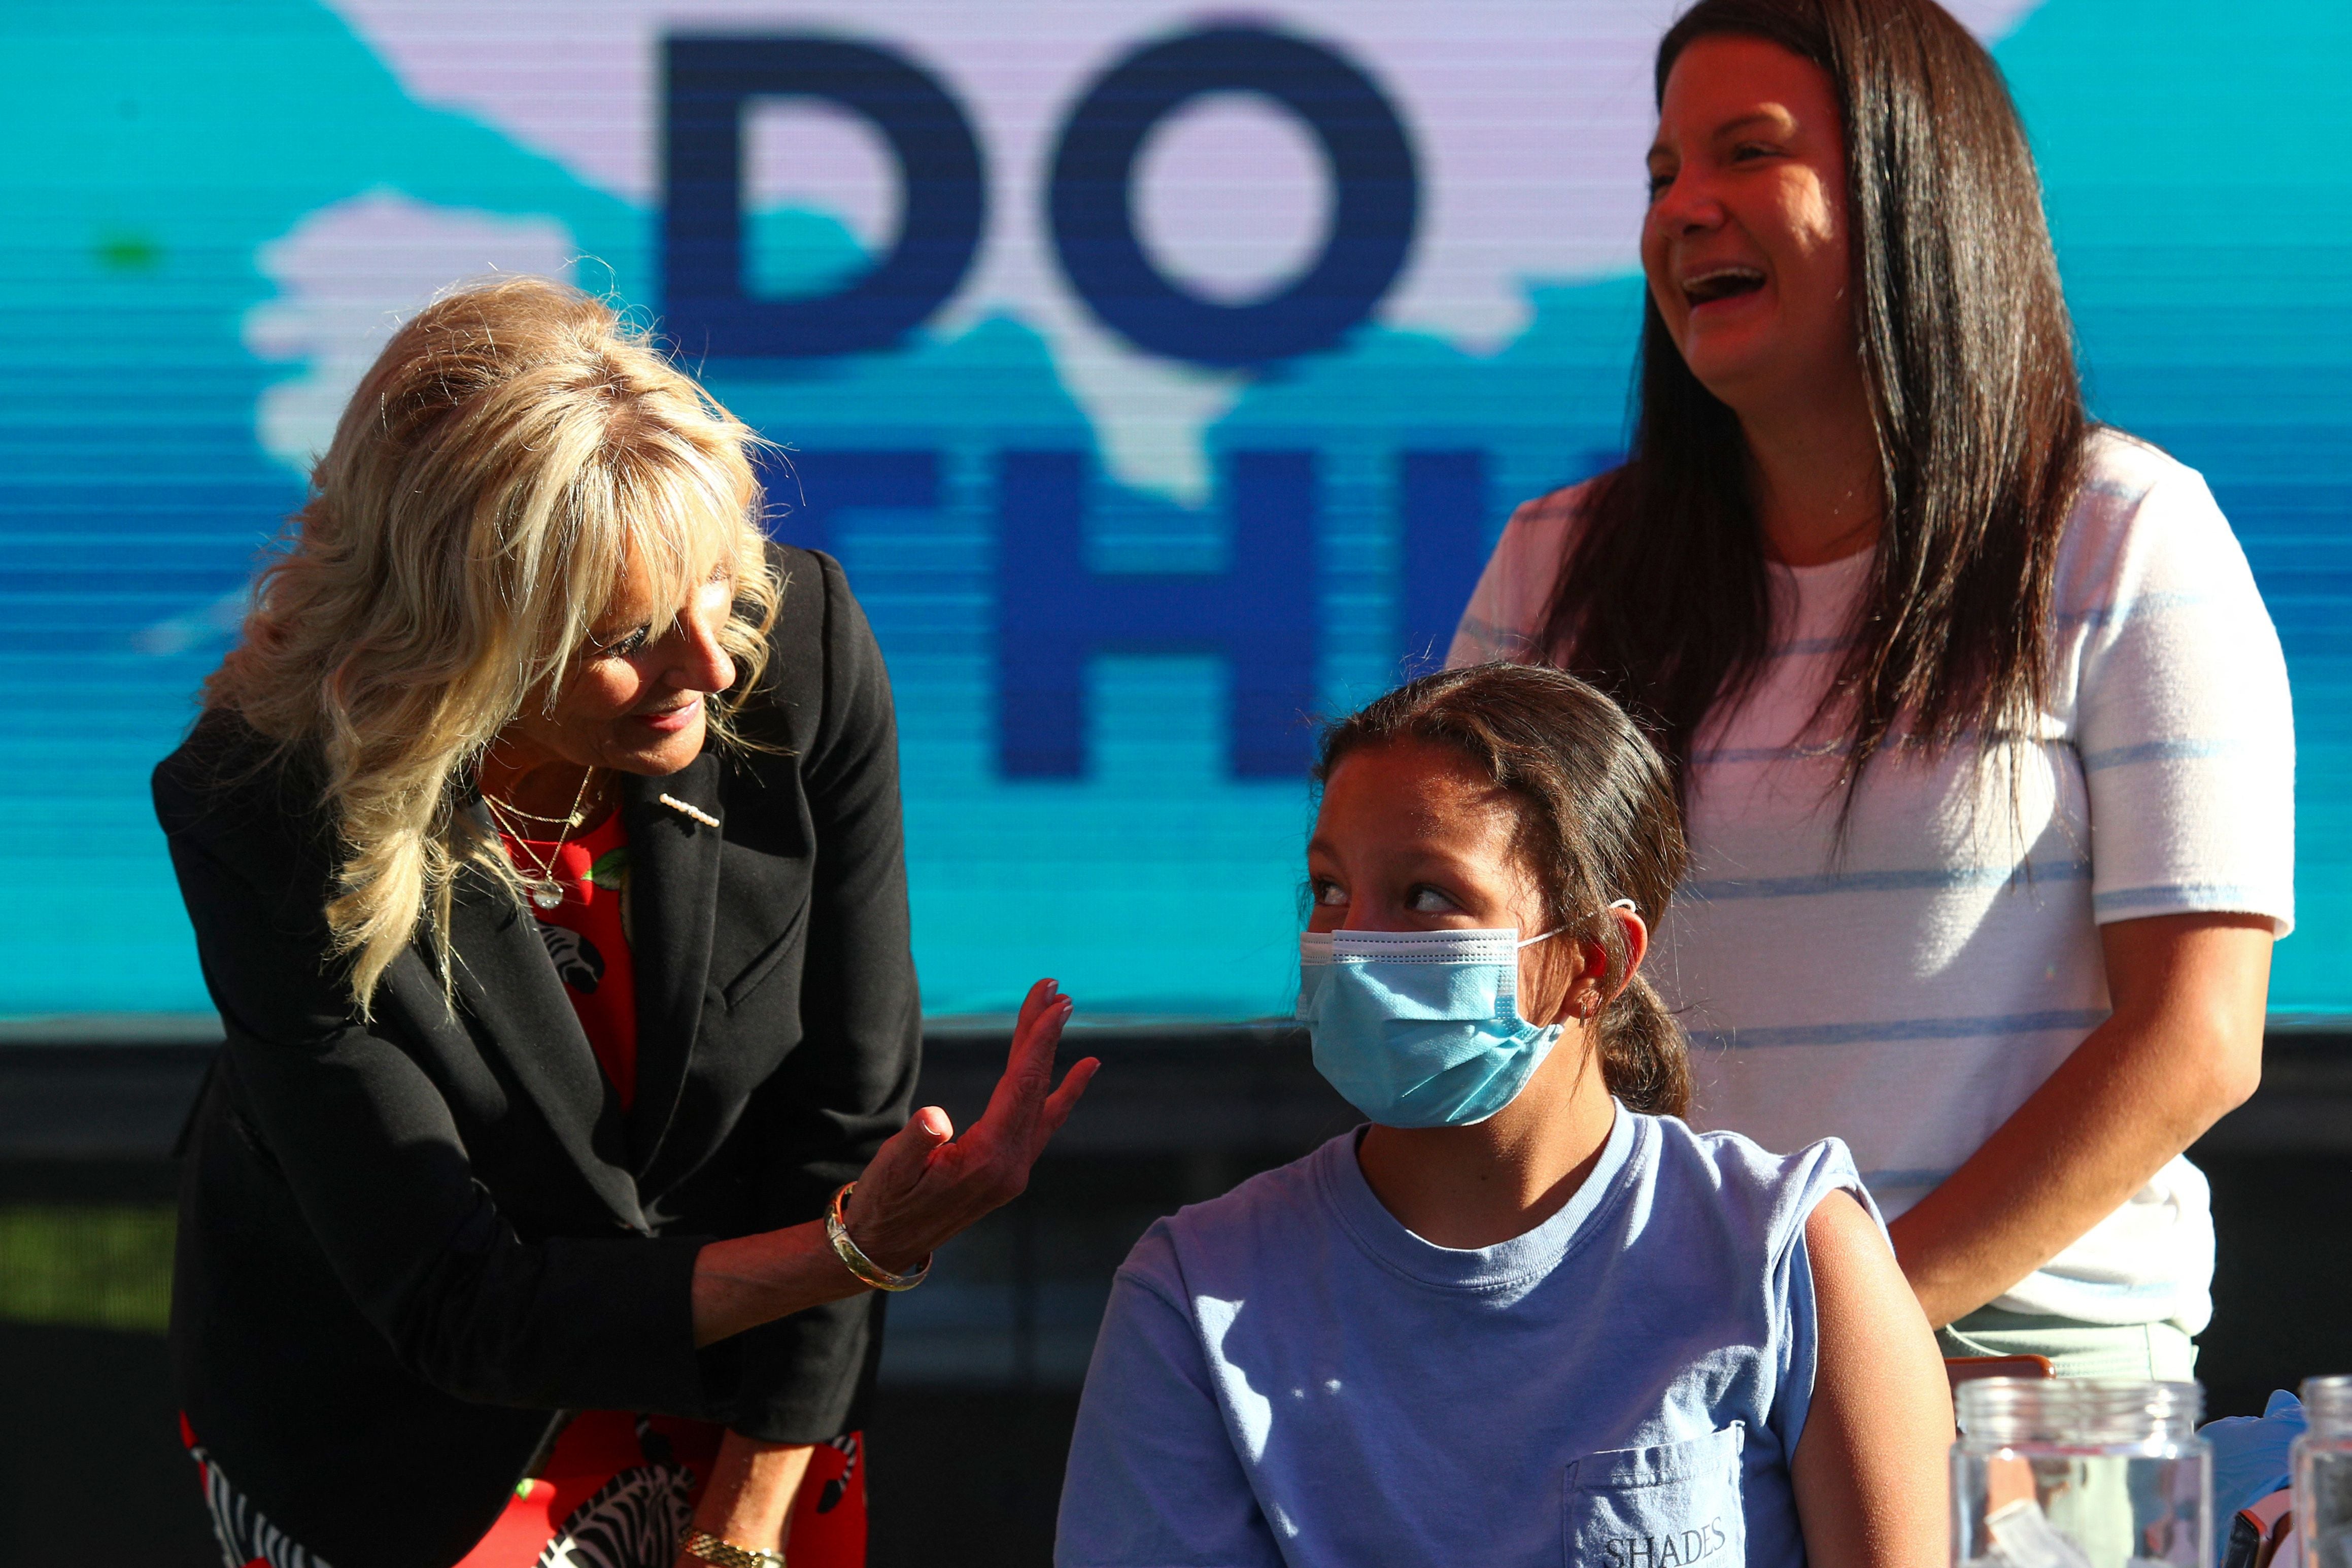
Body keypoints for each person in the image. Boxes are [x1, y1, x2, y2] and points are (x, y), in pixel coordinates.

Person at [154, 276, 1098, 1568]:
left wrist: (742, 1532)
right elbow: (455, 1303)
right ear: (462, 633)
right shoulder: (263, 804)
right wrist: (843, 1253)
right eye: (629, 633)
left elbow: (842, 1123)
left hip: (759, 1384)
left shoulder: (795, 644)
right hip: (404, 1438)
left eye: (718, 586)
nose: (712, 666)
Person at [1449, 0, 2292, 1377]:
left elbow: (2196, 1037)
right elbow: (1475, 992)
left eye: (1746, 153)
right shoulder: (1552, 570)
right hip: (1641, 1372)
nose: (1686, 213)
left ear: (1913, 186)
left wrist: (1846, 1330)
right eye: (1662, 175)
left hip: (2010, 1376)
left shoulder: (2122, 532)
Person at [1056, 664, 1951, 1568]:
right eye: (1331, 889)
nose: (1353, 947)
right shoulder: (1191, 1296)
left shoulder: (1790, 1252)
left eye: (1427, 897)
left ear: (1596, 958)